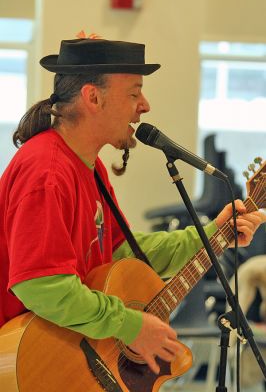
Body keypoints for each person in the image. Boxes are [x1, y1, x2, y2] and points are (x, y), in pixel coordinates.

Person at [0, 36, 265, 376]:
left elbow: (123, 252)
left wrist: (215, 233)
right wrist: (131, 325)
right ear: (93, 97)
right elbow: (42, 286)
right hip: (32, 367)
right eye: (134, 92)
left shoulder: (88, 166)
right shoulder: (47, 172)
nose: (145, 105)